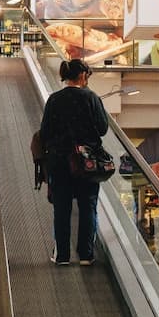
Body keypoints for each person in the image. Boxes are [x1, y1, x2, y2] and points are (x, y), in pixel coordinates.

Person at [38, 57, 108, 266]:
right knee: (88, 206)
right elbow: (103, 128)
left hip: (60, 161)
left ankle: (62, 256)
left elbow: (45, 132)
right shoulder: (92, 98)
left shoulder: (54, 99)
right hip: (86, 163)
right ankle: (86, 255)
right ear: (82, 75)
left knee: (62, 208)